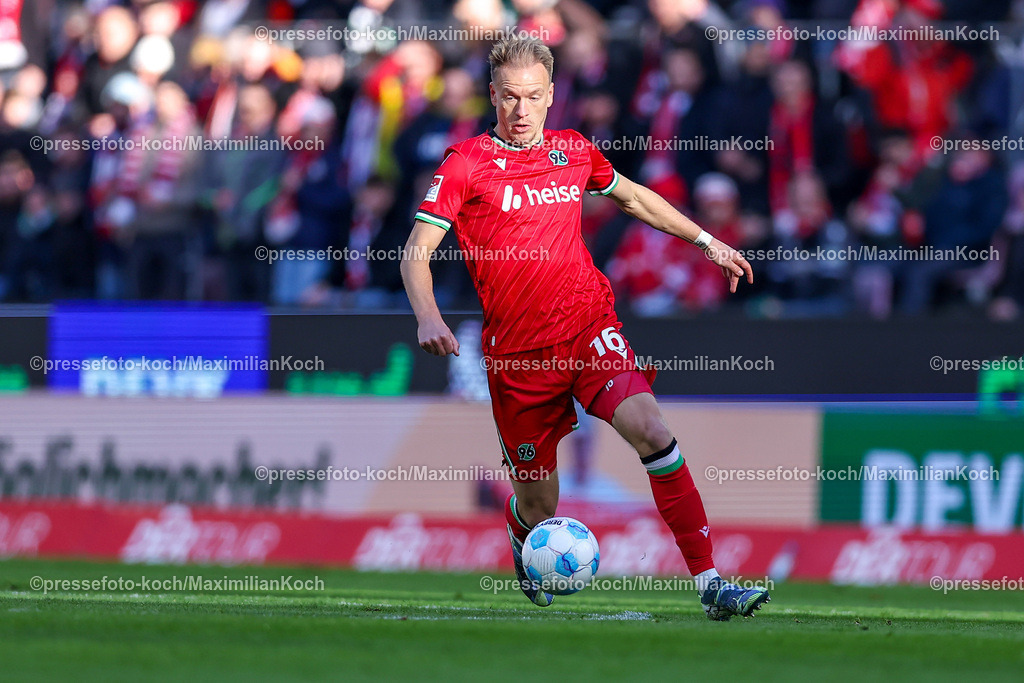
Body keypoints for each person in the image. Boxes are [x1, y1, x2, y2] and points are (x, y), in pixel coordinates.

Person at [401, 37, 769, 620]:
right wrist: (428, 315)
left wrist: (708, 241)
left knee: (652, 430)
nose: (520, 111)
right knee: (539, 503)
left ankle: (711, 584)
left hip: (587, 327)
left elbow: (635, 199)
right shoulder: (465, 164)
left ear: (551, 97)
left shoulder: (573, 151)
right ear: (492, 96)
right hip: (519, 359)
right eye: (509, 98)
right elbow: (417, 250)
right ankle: (523, 531)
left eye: (532, 97)